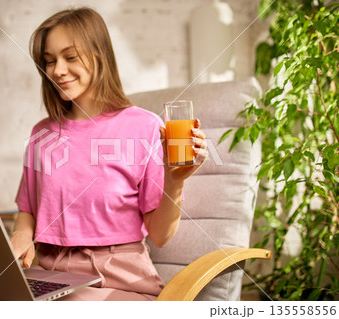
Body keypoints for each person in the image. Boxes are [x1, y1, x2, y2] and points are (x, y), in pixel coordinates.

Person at [11, 7, 208, 301]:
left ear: (99, 54)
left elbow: (160, 236)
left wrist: (175, 180)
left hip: (120, 280)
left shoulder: (145, 126)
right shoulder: (42, 133)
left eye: (70, 57)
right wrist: (20, 236)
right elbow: (27, 208)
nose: (57, 70)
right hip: (50, 276)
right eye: (49, 61)